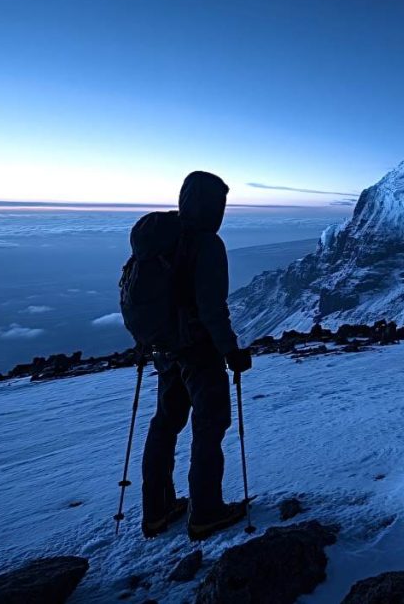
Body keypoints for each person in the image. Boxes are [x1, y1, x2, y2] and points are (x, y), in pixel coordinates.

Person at [140, 171, 254, 540]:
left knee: (165, 425)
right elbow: (211, 309)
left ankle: (156, 510)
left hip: (165, 350)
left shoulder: (162, 239)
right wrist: (231, 351)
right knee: (209, 426)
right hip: (199, 351)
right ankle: (206, 512)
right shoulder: (206, 244)